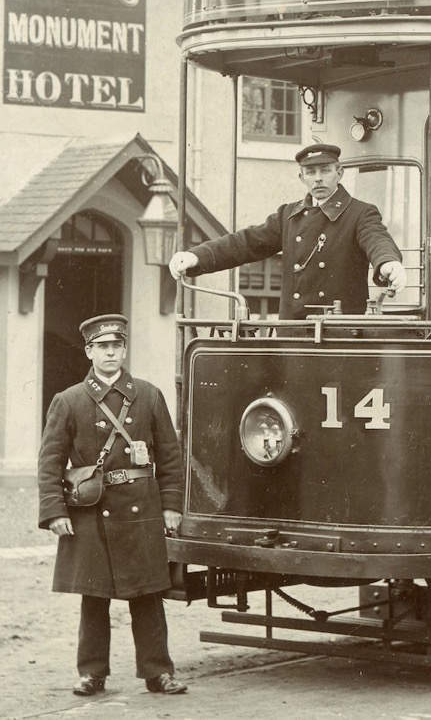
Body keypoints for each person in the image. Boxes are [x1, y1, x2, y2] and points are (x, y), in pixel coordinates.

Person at [38, 314, 187, 697]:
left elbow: (170, 457)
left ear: (123, 350)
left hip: (142, 507)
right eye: (102, 347)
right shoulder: (69, 400)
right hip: (92, 509)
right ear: (89, 352)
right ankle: (92, 673)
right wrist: (55, 511)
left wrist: (171, 506)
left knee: (149, 593)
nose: (110, 353)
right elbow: (50, 460)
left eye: (116, 346)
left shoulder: (149, 395)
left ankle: (159, 672)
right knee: (94, 595)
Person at [168, 143, 406, 318]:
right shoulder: (288, 216)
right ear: (301, 177)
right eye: (311, 173)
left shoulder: (360, 213)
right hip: (292, 335)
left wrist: (387, 263)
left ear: (339, 173)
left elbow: (376, 238)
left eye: (325, 171)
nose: (318, 179)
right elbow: (245, 243)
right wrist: (196, 255)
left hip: (338, 336)